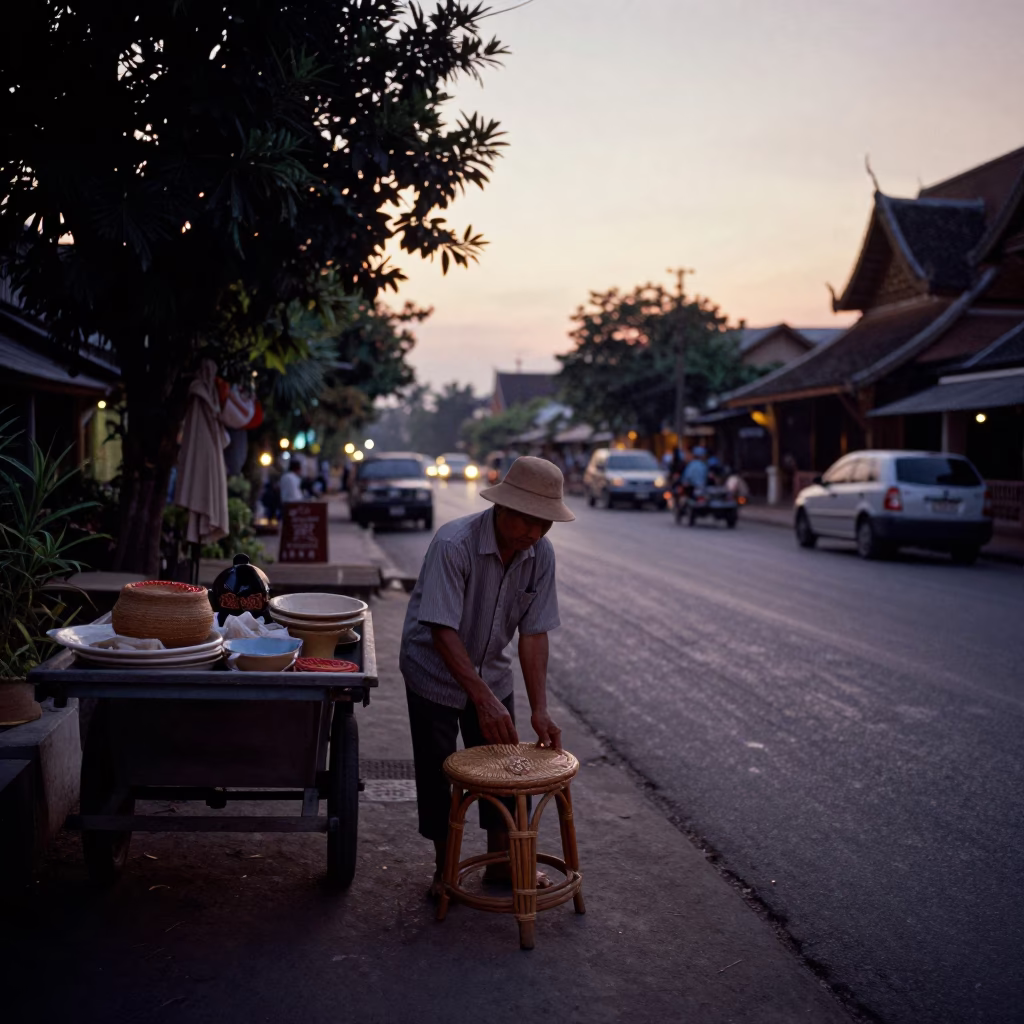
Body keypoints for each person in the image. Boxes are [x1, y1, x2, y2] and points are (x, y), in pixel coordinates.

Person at [400, 456, 575, 899]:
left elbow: (534, 635)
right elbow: (441, 629)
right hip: (433, 671)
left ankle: (502, 866)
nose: (534, 533)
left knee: (509, 770)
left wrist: (540, 709)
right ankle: (445, 870)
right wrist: (481, 699)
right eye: (527, 520)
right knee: (440, 773)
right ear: (502, 508)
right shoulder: (454, 544)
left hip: (493, 673)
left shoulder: (540, 554)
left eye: (545, 523)